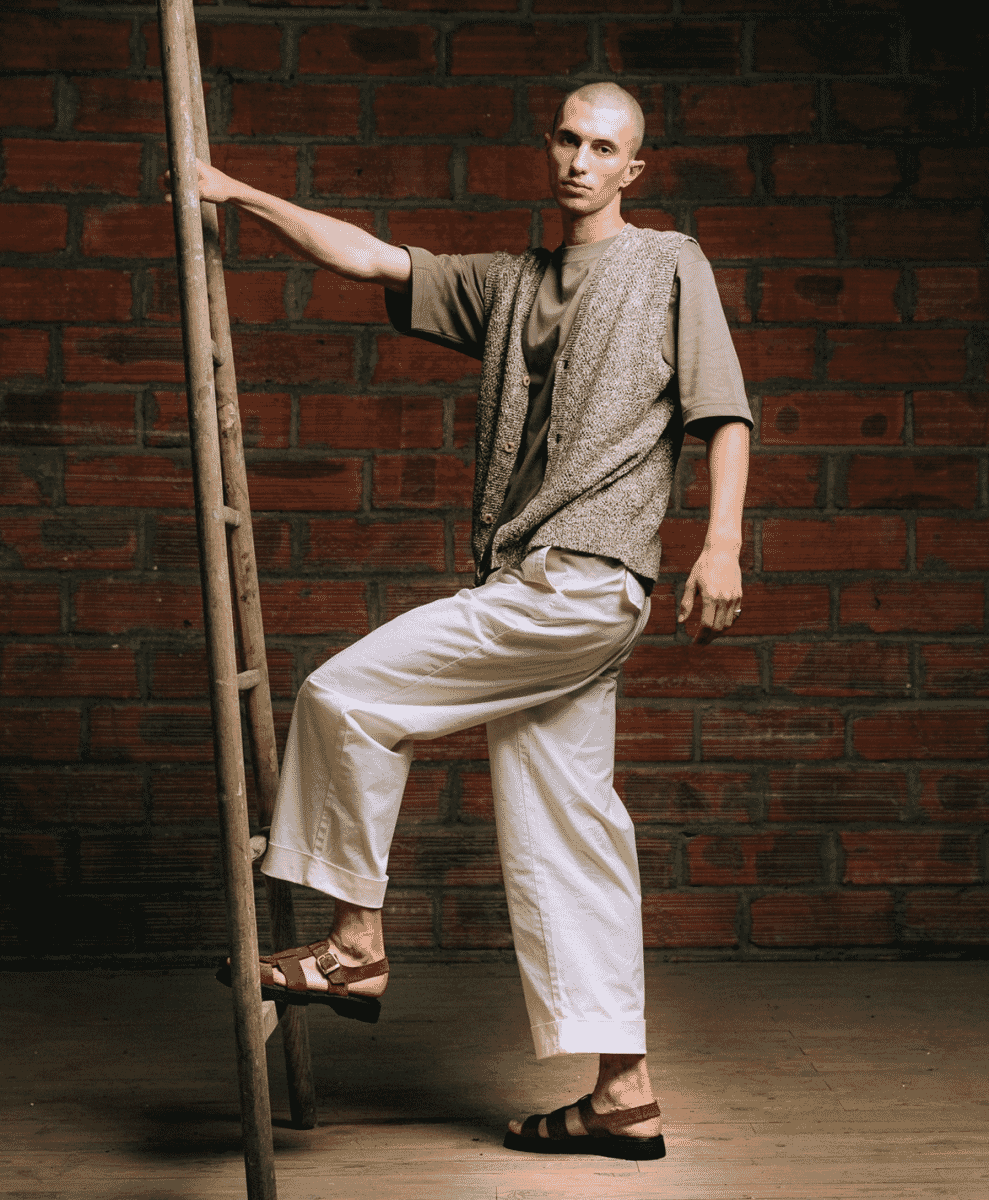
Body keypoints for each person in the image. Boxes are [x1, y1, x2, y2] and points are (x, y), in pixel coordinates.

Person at [182, 82, 751, 1161]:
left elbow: (720, 413)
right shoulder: (508, 283)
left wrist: (720, 543)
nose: (580, 160)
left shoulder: (668, 264)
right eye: (567, 139)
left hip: (577, 583)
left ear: (633, 169)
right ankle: (622, 1093)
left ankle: (353, 945)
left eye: (604, 148)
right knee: (567, 837)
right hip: (544, 586)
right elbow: (368, 259)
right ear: (549, 147)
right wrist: (235, 192)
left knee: (346, 696)